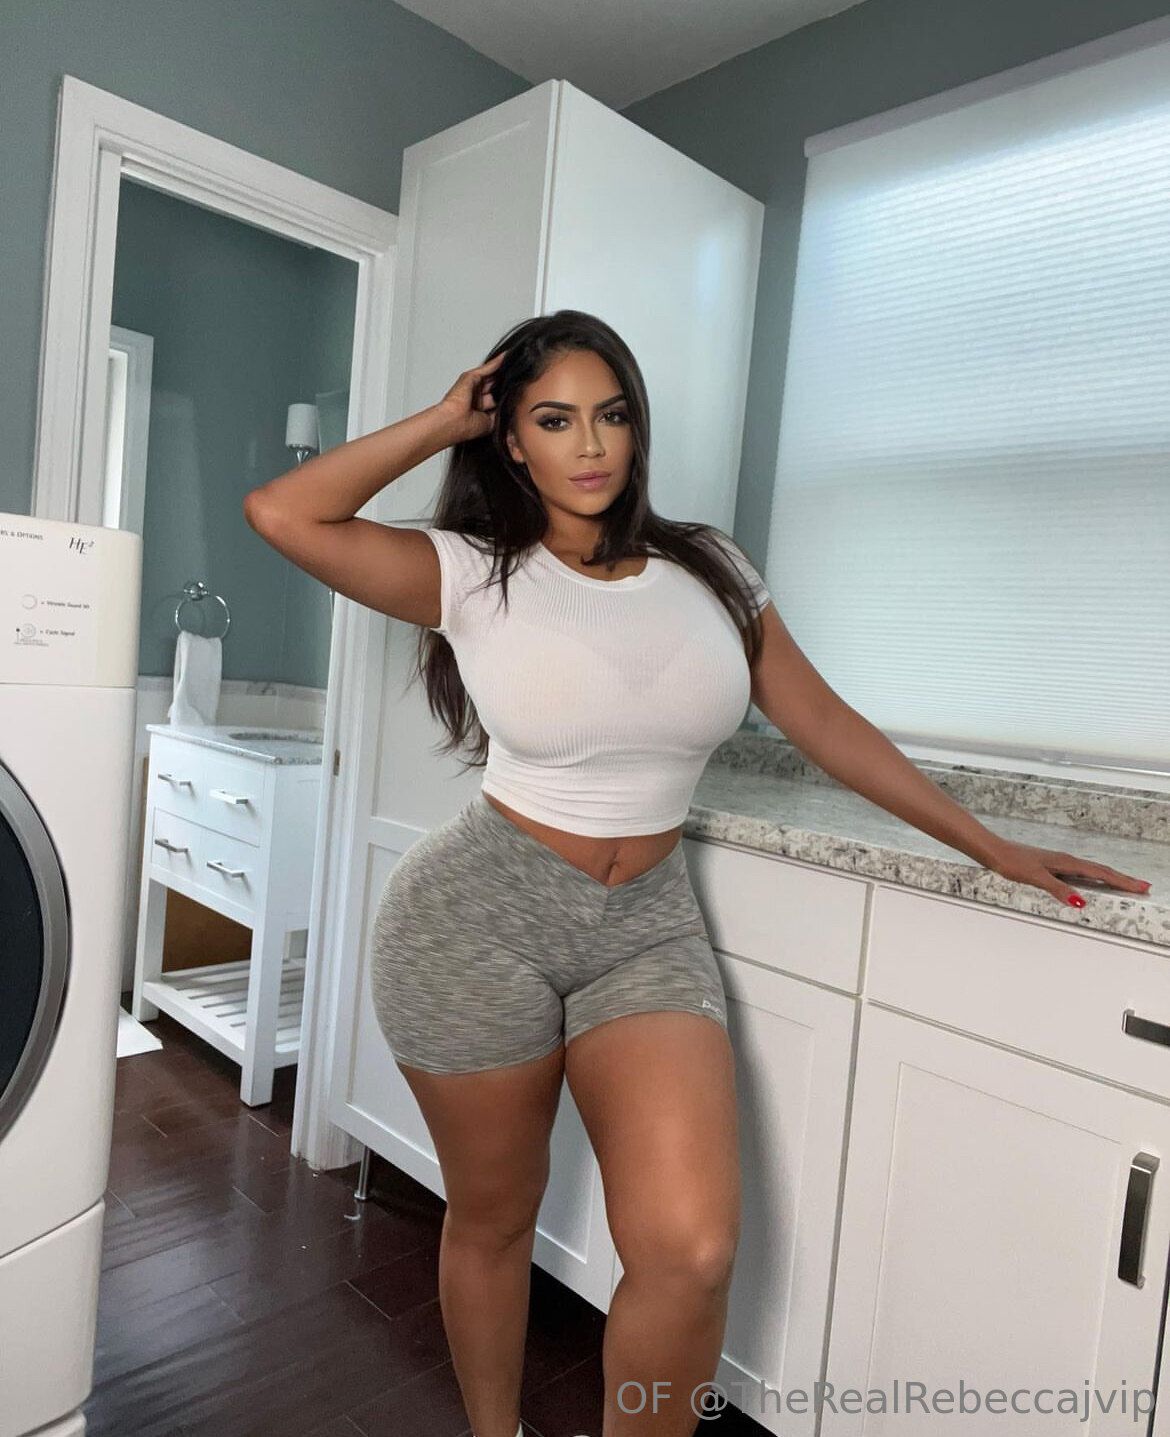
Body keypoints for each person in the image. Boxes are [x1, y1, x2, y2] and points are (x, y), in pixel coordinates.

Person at [243, 309, 1152, 1437]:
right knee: (495, 1217)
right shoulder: (472, 570)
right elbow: (283, 511)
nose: (590, 445)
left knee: (692, 1249)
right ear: (511, 440)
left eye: (611, 415)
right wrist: (441, 420)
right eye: (553, 420)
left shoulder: (708, 567)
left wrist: (989, 843)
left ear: (638, 428)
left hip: (646, 929)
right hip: (476, 923)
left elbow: (822, 719)